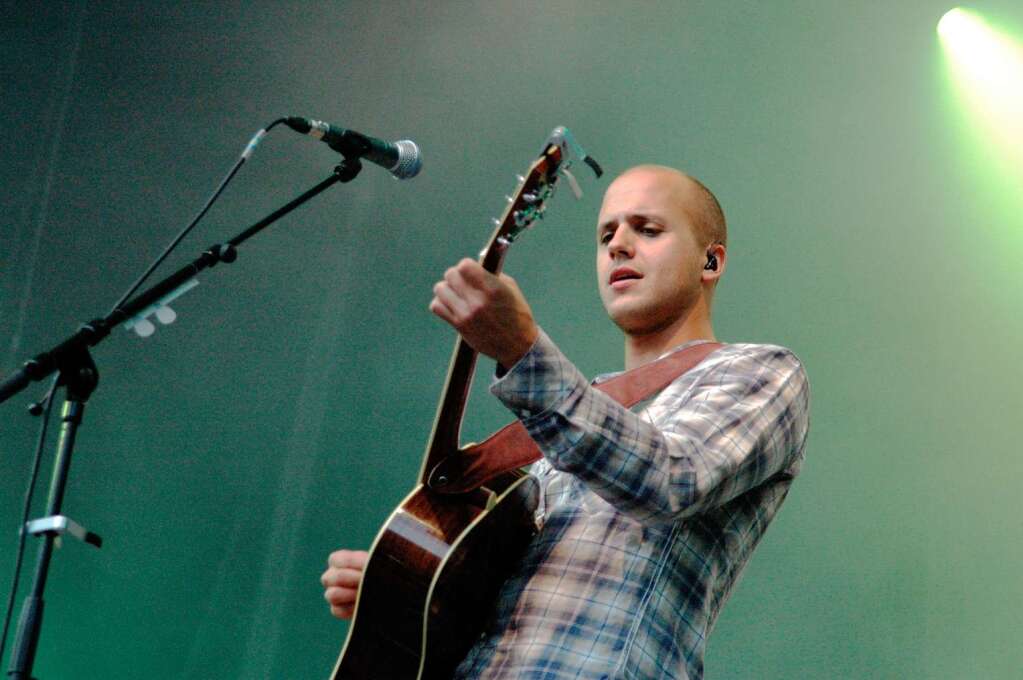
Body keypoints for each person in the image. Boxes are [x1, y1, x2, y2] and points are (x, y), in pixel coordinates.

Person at [321, 165, 810, 679]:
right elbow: (522, 605)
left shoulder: (762, 372)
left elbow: (669, 480)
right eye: (606, 235)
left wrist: (522, 351)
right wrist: (414, 589)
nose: (618, 245)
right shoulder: (568, 425)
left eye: (647, 229)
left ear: (710, 261)